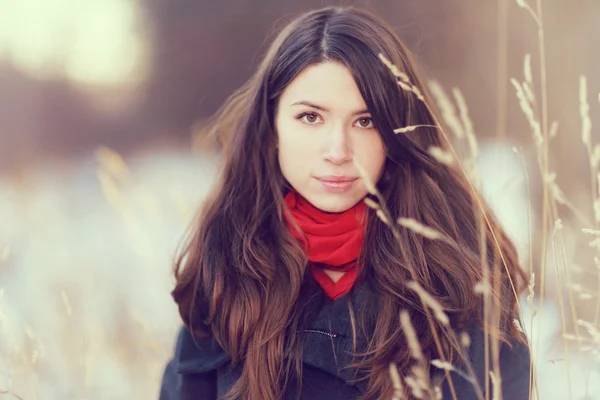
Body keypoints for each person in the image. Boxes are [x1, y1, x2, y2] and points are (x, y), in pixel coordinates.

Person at [159, 6, 531, 400]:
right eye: (311, 117)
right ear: (272, 128)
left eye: (365, 121)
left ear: (396, 131)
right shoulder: (226, 270)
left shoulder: (455, 276)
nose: (338, 150)